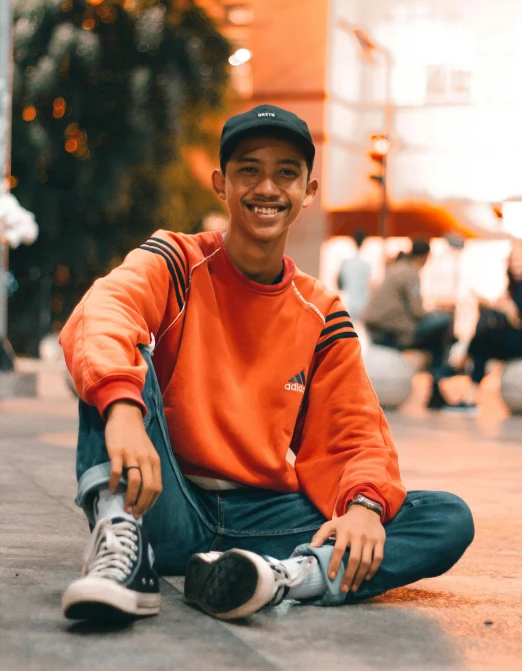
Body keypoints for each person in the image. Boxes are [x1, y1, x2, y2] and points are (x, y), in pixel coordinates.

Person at [59, 105, 474, 624]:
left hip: (267, 519)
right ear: (221, 184)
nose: (267, 188)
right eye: (249, 169)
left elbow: (354, 432)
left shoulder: (321, 311)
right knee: (113, 350)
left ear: (309, 190)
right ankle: (124, 556)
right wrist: (122, 409)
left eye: (286, 173)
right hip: (164, 502)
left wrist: (364, 508)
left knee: (444, 518)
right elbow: (104, 310)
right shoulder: (176, 260)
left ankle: (274, 579)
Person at [363, 240, 471, 412]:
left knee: (437, 341)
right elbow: (417, 312)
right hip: (392, 331)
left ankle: (438, 381)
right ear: (425, 257)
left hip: (377, 328)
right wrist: (437, 311)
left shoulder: (396, 269)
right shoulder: (411, 273)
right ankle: (441, 373)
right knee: (444, 322)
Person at [460, 242, 522, 405]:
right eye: (513, 259)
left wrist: (505, 307)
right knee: (483, 339)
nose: (515, 263)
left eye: (519, 259)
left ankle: (463, 355)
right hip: (514, 337)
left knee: (483, 338)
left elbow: (515, 317)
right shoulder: (514, 286)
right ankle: (470, 394)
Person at [337, 230, 371, 320]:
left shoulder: (346, 263)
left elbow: (340, 285)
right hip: (363, 304)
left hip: (348, 302)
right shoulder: (366, 264)